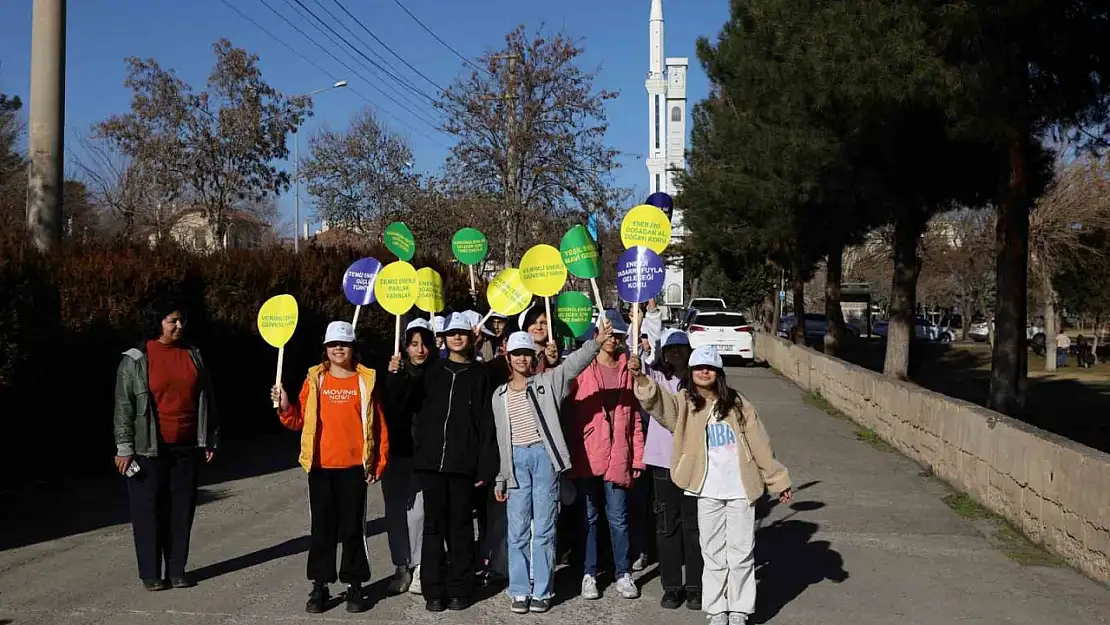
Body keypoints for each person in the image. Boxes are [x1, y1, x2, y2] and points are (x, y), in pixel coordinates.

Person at [631, 346, 793, 625]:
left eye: (709, 368)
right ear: (691, 374)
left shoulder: (738, 404)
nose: (703, 372)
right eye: (698, 368)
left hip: (741, 490)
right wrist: (641, 379)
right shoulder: (684, 403)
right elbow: (658, 404)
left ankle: (739, 609)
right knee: (713, 552)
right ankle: (717, 609)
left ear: (718, 373)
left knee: (741, 552)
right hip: (705, 490)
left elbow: (760, 444)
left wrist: (777, 480)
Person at [492, 318, 613, 614]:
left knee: (544, 528)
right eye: (516, 354)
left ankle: (543, 590)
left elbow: (576, 364)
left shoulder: (547, 382)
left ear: (534, 358)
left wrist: (597, 341)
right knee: (518, 528)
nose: (522, 359)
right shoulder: (499, 395)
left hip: (544, 459)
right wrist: (500, 477)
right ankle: (519, 590)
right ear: (508, 357)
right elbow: (500, 440)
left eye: (527, 354)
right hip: (515, 462)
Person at [272, 321, 390, 614]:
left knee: (353, 529)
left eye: (345, 344)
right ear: (325, 349)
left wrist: (379, 461)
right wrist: (285, 406)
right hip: (321, 467)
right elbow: (299, 420)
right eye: (333, 344)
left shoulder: (365, 381)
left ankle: (355, 586)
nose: (339, 348)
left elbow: (379, 426)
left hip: (354, 467)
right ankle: (320, 585)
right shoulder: (315, 380)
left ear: (353, 348)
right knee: (322, 529)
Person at [113, 296, 218, 591]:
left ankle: (176, 570)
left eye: (181, 320)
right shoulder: (136, 359)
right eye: (172, 321)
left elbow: (207, 399)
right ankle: (151, 573)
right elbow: (124, 407)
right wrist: (124, 447)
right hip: (148, 449)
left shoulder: (193, 354)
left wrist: (209, 437)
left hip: (186, 446)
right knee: (148, 512)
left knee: (181, 510)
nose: (178, 325)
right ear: (157, 323)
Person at [408, 312, 499, 612]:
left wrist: (486, 464)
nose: (457, 337)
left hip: (463, 465)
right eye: (452, 333)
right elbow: (408, 403)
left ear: (471, 337)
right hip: (432, 464)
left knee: (460, 528)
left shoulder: (481, 374)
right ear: (444, 339)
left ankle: (460, 586)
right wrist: (400, 372)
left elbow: (487, 423)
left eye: (462, 333)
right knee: (433, 528)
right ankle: (433, 590)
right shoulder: (432, 370)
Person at [565, 308, 646, 600]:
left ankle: (623, 572)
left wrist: (637, 457)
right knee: (588, 516)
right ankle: (589, 573)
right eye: (608, 334)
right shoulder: (581, 370)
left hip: (620, 455)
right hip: (587, 454)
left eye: (618, 334)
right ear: (596, 336)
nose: (613, 340)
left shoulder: (629, 369)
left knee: (618, 517)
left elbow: (635, 417)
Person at [641, 329, 703, 610]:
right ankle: (672, 587)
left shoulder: (700, 381)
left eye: (681, 348)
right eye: (671, 348)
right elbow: (639, 374)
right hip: (662, 461)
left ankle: (695, 587)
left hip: (691, 461)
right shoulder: (657, 378)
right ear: (663, 353)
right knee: (667, 526)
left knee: (693, 526)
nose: (676, 353)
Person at [382, 318, 436, 595]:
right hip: (395, 452)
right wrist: (395, 376)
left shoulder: (436, 373)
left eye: (424, 344)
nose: (420, 350)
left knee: (418, 513)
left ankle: (417, 566)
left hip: (423, 454)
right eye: (414, 344)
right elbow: (388, 406)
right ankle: (401, 565)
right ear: (405, 347)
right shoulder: (393, 373)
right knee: (394, 512)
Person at [519, 304, 561, 371]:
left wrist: (553, 364)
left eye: (544, 323)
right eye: (533, 323)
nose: (539, 327)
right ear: (526, 327)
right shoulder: (518, 355)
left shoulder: (561, 355)